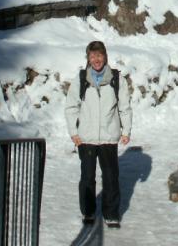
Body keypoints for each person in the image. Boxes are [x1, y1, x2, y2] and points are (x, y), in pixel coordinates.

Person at [65, 40, 132, 228]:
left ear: (105, 56)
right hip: (86, 137)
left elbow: (125, 107)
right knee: (87, 178)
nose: (96, 59)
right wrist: (73, 132)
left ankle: (111, 213)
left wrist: (126, 130)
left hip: (109, 137)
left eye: (99, 55)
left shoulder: (116, 79)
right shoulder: (80, 79)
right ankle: (88, 211)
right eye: (92, 56)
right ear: (88, 58)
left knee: (111, 177)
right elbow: (71, 107)